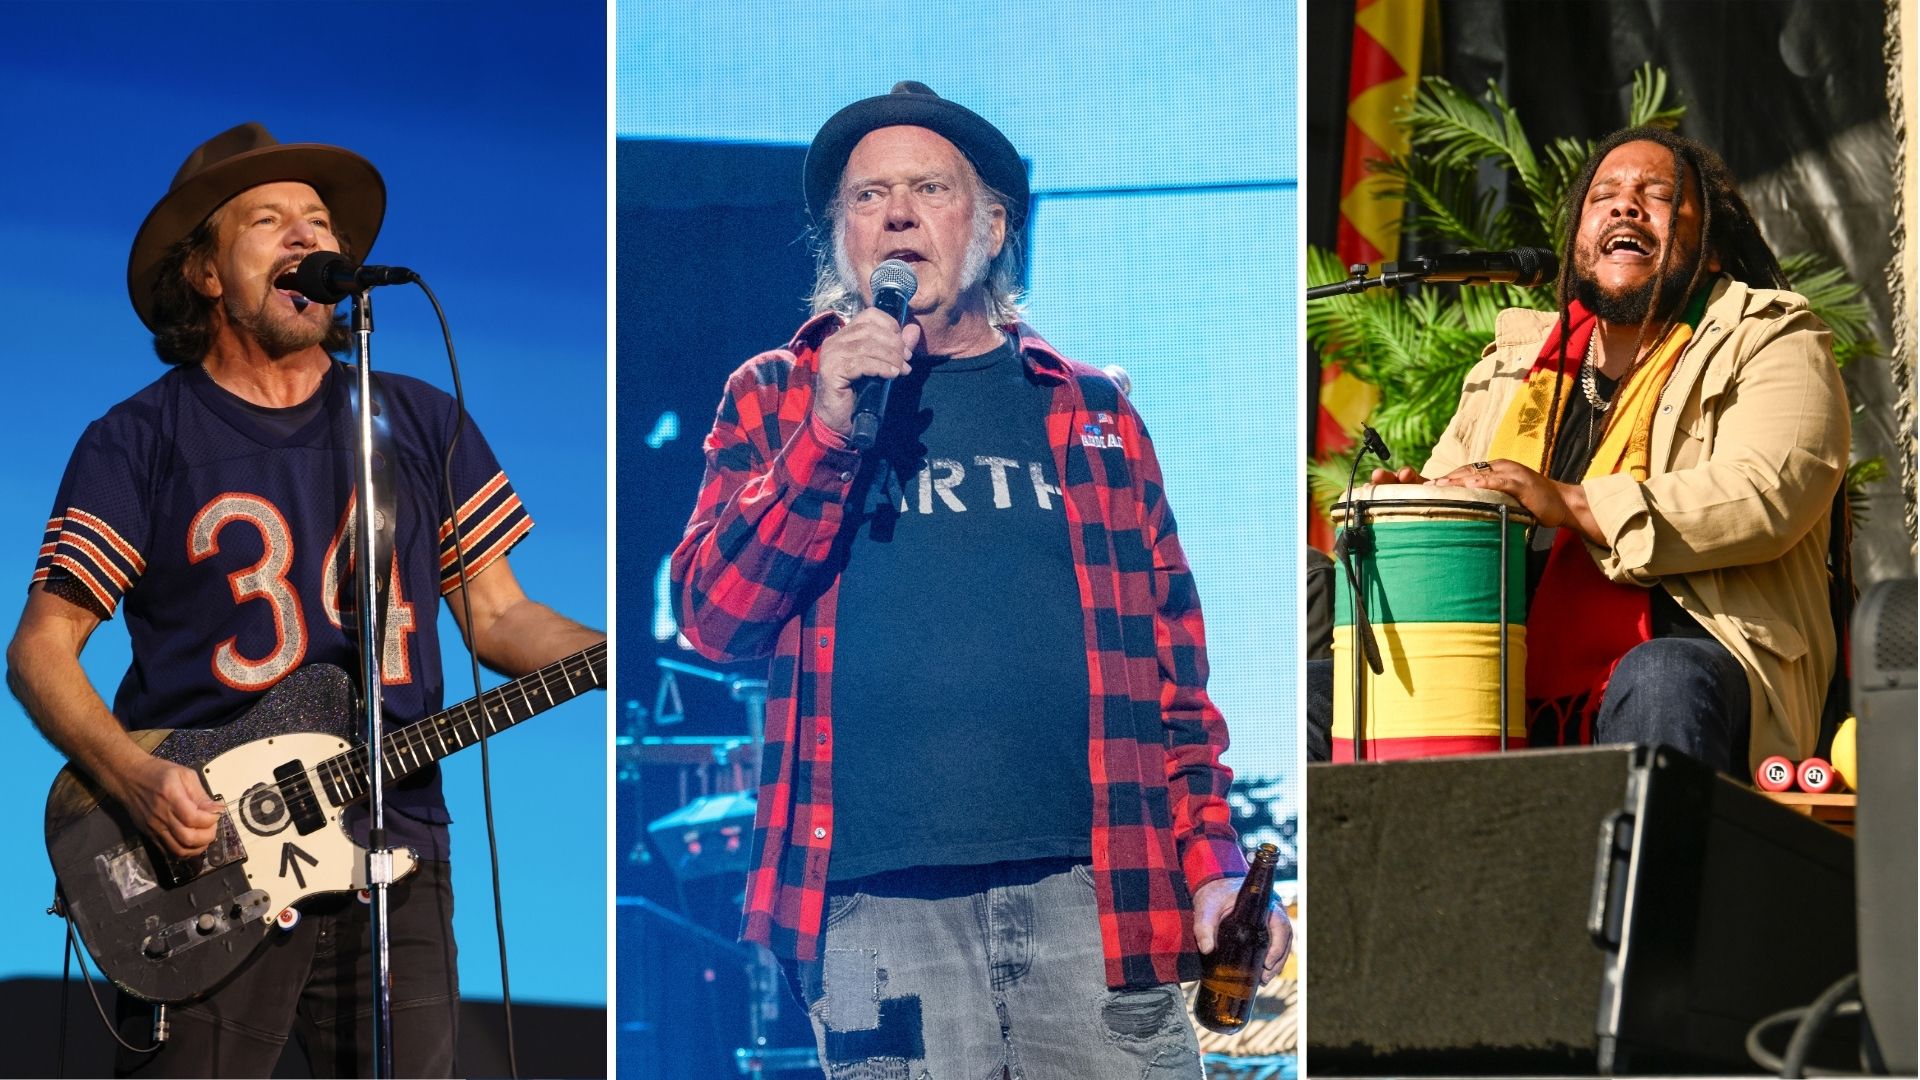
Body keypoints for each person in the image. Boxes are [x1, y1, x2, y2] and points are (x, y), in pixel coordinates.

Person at [671, 82, 1291, 1077]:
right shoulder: (776, 393)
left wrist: (1213, 871)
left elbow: (1174, 684)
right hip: (878, 916)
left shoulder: (1094, 415)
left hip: (1098, 902)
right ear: (840, 240)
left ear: (993, 225)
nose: (898, 213)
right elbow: (712, 616)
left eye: (929, 188)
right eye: (867, 198)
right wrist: (827, 431)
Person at [6, 123, 604, 1077]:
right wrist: (132, 779)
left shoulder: (417, 420)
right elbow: (40, 646)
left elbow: (499, 618)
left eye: (319, 222)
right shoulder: (137, 440)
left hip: (396, 846)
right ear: (205, 273)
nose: (306, 237)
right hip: (202, 860)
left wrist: (612, 653)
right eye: (269, 221)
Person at [1311, 127, 1850, 776]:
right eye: (1605, 196)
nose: (1625, 206)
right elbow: (1454, 490)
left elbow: (1769, 493)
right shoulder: (1513, 366)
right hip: (1493, 669)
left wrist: (1570, 502)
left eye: (1657, 196)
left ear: (1710, 253)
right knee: (1320, 693)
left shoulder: (1772, 337)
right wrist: (1417, 507)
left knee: (1659, 676)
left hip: (1692, 656)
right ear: (1578, 241)